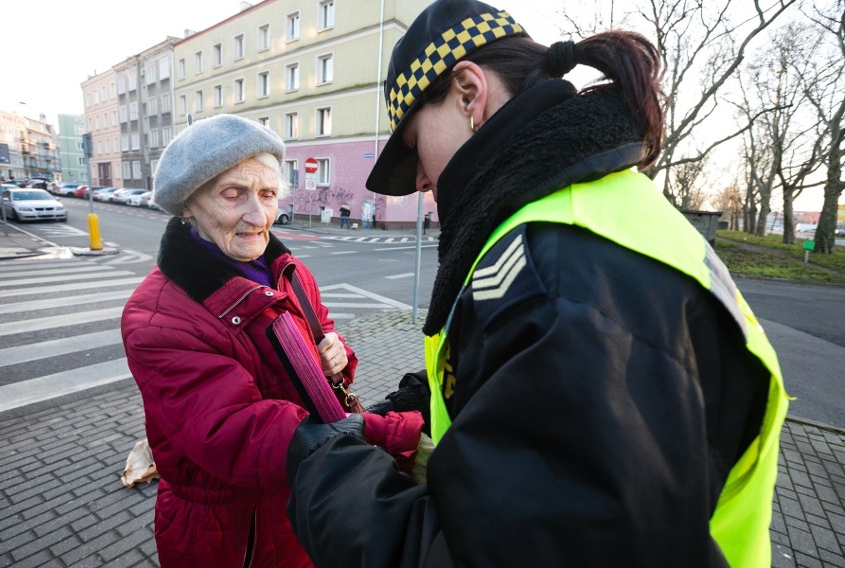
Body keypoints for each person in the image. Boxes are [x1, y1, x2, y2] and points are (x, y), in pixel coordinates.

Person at [283, 1, 790, 566]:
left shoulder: (557, 276)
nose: (421, 176)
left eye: (413, 144)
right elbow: (519, 382)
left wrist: (327, 473)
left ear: (469, 94)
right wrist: (420, 403)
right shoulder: (584, 213)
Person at [121, 114, 422, 567]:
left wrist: (338, 354)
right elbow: (236, 431)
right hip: (235, 533)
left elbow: (320, 340)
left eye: (266, 194)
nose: (258, 216)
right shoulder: (158, 316)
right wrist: (393, 433)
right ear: (188, 205)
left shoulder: (289, 270)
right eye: (232, 194)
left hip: (307, 499)